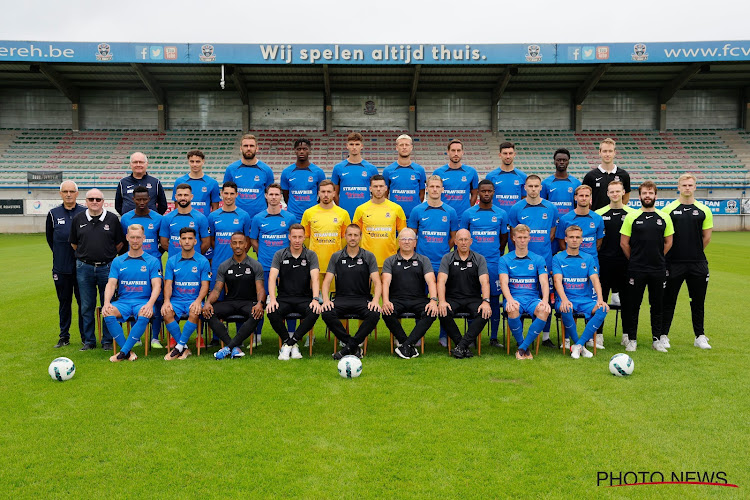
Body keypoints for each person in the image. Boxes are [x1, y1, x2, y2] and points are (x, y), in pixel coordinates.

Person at [620, 181, 674, 352]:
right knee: (633, 305)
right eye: (644, 193)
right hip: (636, 269)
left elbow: (668, 241)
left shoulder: (664, 217)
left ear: (655, 196)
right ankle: (632, 339)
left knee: (657, 305)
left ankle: (656, 340)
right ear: (640, 196)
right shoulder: (632, 217)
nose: (648, 196)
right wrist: (635, 259)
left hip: (657, 269)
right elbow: (624, 243)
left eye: (650, 193)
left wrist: (657, 257)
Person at [661, 173, 713, 350]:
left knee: (698, 302)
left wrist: (694, 252)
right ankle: (663, 335)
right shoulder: (668, 210)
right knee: (669, 301)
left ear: (695, 187)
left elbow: (706, 238)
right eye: (684, 185)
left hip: (697, 263)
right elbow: (666, 238)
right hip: (673, 263)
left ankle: (699, 336)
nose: (687, 188)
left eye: (690, 185)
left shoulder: (704, 210)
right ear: (678, 187)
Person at [69, 188, 125, 350]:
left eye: (98, 199)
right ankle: (89, 341)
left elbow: (119, 243)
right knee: (86, 305)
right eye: (91, 199)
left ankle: (107, 340)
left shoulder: (113, 219)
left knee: (108, 304)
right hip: (84, 267)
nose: (94, 202)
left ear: (103, 201)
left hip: (107, 268)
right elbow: (74, 243)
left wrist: (107, 255)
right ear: (85, 201)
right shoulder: (78, 219)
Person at [408, 175, 459, 346]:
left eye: (438, 186)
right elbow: (412, 237)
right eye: (432, 186)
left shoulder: (450, 212)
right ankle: (418, 336)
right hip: (422, 264)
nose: (435, 189)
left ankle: (444, 335)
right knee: (420, 300)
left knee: (445, 299)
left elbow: (454, 238)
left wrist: (446, 251)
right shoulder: (417, 211)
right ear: (427, 188)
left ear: (442, 189)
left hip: (443, 264)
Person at [508, 174, 559, 346]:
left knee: (546, 298)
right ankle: (520, 337)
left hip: (544, 259)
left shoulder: (550, 208)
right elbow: (513, 235)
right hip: (521, 261)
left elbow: (552, 234)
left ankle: (545, 337)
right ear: (525, 188)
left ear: (541, 188)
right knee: (521, 296)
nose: (533, 189)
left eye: (536, 186)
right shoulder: (516, 208)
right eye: (530, 186)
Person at [102, 224, 162, 362]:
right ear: (127, 237)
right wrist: (106, 303)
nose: (135, 241)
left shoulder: (152, 261)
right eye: (133, 237)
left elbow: (157, 286)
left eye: (138, 237)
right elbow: (111, 284)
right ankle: (128, 352)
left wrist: (150, 304)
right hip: (123, 302)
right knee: (107, 312)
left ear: (144, 238)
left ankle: (122, 353)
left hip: (143, 302)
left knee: (144, 313)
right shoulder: (118, 260)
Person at [460, 179, 509, 347]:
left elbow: (504, 238)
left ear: (494, 192)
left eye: (489, 191)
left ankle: (493, 337)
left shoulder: (501, 213)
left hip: (493, 263)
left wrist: (497, 253)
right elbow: (464, 236)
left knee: (494, 299)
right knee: (472, 298)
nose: (486, 194)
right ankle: (471, 337)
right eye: (483, 191)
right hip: (471, 263)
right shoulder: (468, 213)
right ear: (478, 193)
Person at [320, 224, 381, 360]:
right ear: (345, 236)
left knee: (375, 313)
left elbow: (377, 282)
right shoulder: (336, 256)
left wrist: (376, 301)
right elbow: (326, 281)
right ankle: (353, 345)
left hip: (362, 299)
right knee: (326, 312)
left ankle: (349, 346)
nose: (352, 238)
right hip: (341, 299)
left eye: (355, 235)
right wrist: (325, 300)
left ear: (360, 237)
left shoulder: (368, 256)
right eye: (350, 235)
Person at [203, 232, 266, 360]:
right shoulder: (224, 266)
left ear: (246, 245)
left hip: (248, 303)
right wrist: (208, 303)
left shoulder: (255, 265)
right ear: (230, 245)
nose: (238, 246)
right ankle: (234, 347)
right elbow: (216, 290)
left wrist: (260, 303)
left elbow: (260, 290)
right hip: (230, 302)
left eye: (241, 243)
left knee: (257, 314)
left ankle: (228, 347)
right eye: (235, 243)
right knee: (208, 312)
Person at [552, 225, 609, 359]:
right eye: (571, 237)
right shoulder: (558, 258)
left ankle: (578, 345)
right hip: (566, 299)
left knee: (603, 309)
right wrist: (564, 299)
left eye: (577, 237)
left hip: (585, 300)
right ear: (565, 239)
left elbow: (595, 280)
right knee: (565, 308)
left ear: (581, 240)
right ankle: (580, 346)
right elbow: (557, 281)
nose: (574, 240)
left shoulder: (588, 258)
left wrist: (600, 299)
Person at [250, 183, 297, 345]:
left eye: (277, 194)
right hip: (263, 267)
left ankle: (291, 336)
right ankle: (257, 337)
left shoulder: (289, 218)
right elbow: (253, 240)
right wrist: (261, 252)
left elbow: (294, 239)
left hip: (285, 268)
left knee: (288, 302)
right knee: (260, 302)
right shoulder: (258, 218)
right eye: (271, 194)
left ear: (280, 197)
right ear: (266, 196)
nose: (274, 197)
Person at [381, 228, 439, 359]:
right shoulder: (390, 261)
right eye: (403, 239)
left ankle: (405, 345)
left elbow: (431, 281)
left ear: (415, 243)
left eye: (410, 239)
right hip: (397, 300)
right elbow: (385, 282)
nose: (406, 242)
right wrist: (385, 301)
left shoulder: (424, 260)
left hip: (418, 299)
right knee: (386, 312)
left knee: (431, 312)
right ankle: (407, 343)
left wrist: (433, 301)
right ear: (398, 242)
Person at [267, 224, 322, 360]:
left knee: (315, 310)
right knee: (271, 311)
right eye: (294, 237)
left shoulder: (310, 255)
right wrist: (273, 299)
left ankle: (291, 343)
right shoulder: (280, 254)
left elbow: (315, 278)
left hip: (304, 299)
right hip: (284, 298)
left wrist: (315, 299)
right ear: (289, 237)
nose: (297, 240)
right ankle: (290, 343)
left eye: (300, 237)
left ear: (304, 238)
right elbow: (272, 277)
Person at [120, 186, 166, 348]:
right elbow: (123, 243)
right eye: (138, 199)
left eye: (144, 199)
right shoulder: (126, 218)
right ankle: (136, 337)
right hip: (132, 266)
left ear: (150, 200)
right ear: (133, 200)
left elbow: (163, 242)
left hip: (153, 265)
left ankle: (155, 337)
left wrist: (156, 254)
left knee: (157, 298)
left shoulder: (158, 218)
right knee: (135, 296)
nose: (141, 202)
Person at [437, 229, 492, 359]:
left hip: (473, 299)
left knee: (485, 313)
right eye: (460, 240)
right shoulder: (447, 258)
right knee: (442, 312)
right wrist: (442, 301)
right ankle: (462, 345)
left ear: (471, 241)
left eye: (466, 239)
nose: (463, 242)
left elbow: (485, 282)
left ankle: (461, 346)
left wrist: (486, 302)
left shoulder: (479, 259)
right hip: (452, 298)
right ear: (455, 241)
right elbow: (441, 281)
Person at [499, 224, 551, 360]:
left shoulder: (538, 259)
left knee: (544, 311)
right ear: (514, 239)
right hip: (514, 297)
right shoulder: (504, 259)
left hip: (532, 298)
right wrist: (509, 299)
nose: (522, 240)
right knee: (513, 308)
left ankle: (522, 348)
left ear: (529, 239)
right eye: (520, 237)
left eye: (525, 237)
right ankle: (524, 347)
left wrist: (545, 301)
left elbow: (544, 282)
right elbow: (504, 283)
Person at [162, 227, 211, 361]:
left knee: (194, 312)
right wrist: (166, 301)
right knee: (166, 313)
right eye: (184, 239)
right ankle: (183, 348)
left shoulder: (202, 261)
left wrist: (198, 300)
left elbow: (205, 286)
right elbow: (168, 284)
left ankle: (178, 348)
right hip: (177, 300)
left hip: (194, 299)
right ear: (179, 241)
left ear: (195, 241)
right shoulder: (172, 261)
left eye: (190, 238)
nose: (187, 241)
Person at [46, 180, 85, 348]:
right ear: (60, 193)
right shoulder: (53, 214)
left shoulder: (85, 212)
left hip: (83, 267)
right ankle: (64, 336)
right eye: (65, 191)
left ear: (77, 193)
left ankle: (86, 337)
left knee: (84, 304)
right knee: (64, 303)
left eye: (71, 191)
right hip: (61, 268)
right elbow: (50, 239)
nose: (68, 194)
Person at [594, 180, 634, 342]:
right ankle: (599, 335)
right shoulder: (598, 214)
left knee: (627, 301)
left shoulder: (632, 213)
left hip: (625, 264)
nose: (615, 194)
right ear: (607, 193)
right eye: (612, 191)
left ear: (623, 192)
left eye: (618, 191)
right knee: (600, 300)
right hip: (604, 264)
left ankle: (626, 335)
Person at [301, 179, 351, 294]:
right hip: (315, 263)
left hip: (335, 263)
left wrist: (338, 252)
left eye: (329, 192)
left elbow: (345, 238)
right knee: (315, 298)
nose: (326, 195)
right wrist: (314, 251)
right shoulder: (309, 213)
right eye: (323, 191)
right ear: (318, 193)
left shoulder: (343, 213)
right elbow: (306, 237)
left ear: (334, 193)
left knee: (335, 297)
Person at [352, 174, 407, 269]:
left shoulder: (396, 209)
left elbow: (403, 234)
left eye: (381, 186)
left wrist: (394, 248)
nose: (378, 189)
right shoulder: (361, 210)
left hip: (389, 261)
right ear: (370, 188)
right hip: (366, 261)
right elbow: (355, 235)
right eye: (375, 186)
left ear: (386, 188)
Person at [223, 133, 275, 219]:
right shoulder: (231, 169)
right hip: (237, 217)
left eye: (251, 146)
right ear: (241, 148)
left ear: (257, 148)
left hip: (259, 217)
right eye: (245, 146)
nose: (248, 148)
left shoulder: (266, 170)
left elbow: (270, 194)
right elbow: (226, 195)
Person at [331, 132, 379, 219]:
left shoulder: (371, 168)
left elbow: (376, 193)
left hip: (366, 215)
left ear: (361, 146)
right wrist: (341, 209)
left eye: (357, 144)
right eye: (351, 144)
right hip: (345, 215)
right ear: (347, 146)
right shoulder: (338, 168)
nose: (354, 147)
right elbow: (335, 194)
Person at [159, 183, 210, 260]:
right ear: (175, 197)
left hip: (194, 262)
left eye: (186, 195)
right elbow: (164, 243)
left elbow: (206, 244)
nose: (183, 198)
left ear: (191, 197)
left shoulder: (201, 218)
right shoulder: (167, 218)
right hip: (174, 262)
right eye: (180, 195)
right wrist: (175, 254)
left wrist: (192, 254)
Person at [280, 139, 326, 222]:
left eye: (305, 149)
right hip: (293, 216)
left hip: (313, 216)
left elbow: (323, 194)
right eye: (299, 149)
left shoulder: (318, 172)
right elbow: (286, 196)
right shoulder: (286, 172)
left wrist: (315, 206)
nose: (302, 151)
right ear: (295, 151)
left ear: (310, 151)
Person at [555, 185, 604, 261]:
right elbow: (561, 242)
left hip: (592, 260)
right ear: (575, 197)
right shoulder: (565, 219)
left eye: (587, 196)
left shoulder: (598, 218)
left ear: (590, 198)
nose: (584, 198)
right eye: (581, 195)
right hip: (571, 260)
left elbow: (599, 242)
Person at [382, 134, 426, 218]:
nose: (404, 147)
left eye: (407, 145)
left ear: (411, 147)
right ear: (396, 147)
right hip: (394, 216)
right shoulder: (388, 170)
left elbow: (421, 194)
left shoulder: (419, 170)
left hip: (413, 217)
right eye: (401, 145)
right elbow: (385, 194)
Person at [583, 138, 631, 210]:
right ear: (600, 152)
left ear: (614, 152)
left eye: (610, 151)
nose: (607, 154)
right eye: (605, 151)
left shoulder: (624, 175)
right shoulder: (590, 176)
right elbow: (584, 198)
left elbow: (626, 198)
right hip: (598, 217)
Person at [433, 139, 479, 216]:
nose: (456, 153)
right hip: (443, 215)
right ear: (448, 152)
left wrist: (468, 210)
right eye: (453, 150)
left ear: (462, 152)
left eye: (458, 150)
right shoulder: (438, 172)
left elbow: (474, 193)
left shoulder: (471, 172)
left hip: (463, 217)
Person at [172, 149, 221, 216]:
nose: (194, 164)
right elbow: (177, 206)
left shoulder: (212, 183)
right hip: (185, 221)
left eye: (197, 161)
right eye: (192, 161)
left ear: (203, 161)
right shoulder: (179, 181)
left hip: (204, 222)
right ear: (188, 162)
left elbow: (215, 207)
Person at [485, 141, 527, 211]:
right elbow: (487, 199)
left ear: (514, 154)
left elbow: (524, 199)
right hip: (497, 217)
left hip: (515, 218)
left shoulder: (522, 176)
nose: (508, 156)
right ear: (500, 155)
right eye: (505, 153)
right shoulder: (490, 176)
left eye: (510, 153)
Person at [541, 148, 580, 217]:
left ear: (568, 162)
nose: (561, 162)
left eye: (564, 160)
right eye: (559, 160)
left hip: (570, 222)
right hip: (552, 221)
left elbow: (579, 205)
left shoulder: (576, 183)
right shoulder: (545, 183)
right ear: (554, 161)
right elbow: (542, 205)